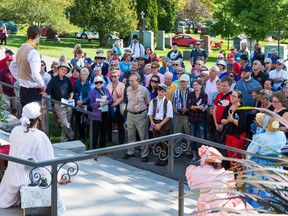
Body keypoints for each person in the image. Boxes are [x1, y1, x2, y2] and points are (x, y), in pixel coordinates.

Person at [0, 102, 65, 215]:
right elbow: (47, 161)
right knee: (56, 172)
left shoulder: (15, 130)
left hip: (13, 171)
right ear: (39, 117)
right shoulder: (40, 136)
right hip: (29, 175)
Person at [186, 145, 256, 215]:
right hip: (222, 206)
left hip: (205, 206)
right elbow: (231, 189)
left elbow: (191, 181)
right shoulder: (225, 175)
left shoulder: (198, 172)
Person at [246, 113, 286, 209]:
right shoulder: (281, 134)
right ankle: (274, 206)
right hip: (276, 164)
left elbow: (250, 152)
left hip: (261, 164)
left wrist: (247, 164)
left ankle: (258, 208)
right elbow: (282, 146)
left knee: (260, 186)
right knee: (274, 185)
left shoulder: (260, 137)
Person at [9, 25, 45, 108]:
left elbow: (12, 66)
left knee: (26, 117)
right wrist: (42, 85)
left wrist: (20, 78)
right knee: (35, 118)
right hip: (33, 91)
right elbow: (35, 74)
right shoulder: (33, 52)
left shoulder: (21, 48)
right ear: (37, 36)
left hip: (23, 89)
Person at [123, 73, 150, 162]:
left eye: (133, 81)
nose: (130, 82)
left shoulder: (144, 90)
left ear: (138, 81)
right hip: (130, 114)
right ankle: (130, 152)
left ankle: (144, 154)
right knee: (130, 134)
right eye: (129, 81)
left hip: (141, 115)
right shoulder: (128, 89)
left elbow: (148, 103)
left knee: (143, 135)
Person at [45, 62, 75, 142]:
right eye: (62, 69)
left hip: (68, 103)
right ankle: (72, 135)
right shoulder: (53, 80)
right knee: (65, 123)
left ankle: (63, 139)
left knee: (66, 123)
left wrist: (70, 98)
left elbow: (71, 91)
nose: (63, 71)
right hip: (58, 104)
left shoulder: (67, 80)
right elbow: (47, 92)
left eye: (65, 70)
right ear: (58, 69)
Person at [148, 84, 173, 166]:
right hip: (155, 122)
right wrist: (152, 122)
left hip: (163, 124)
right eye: (159, 91)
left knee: (164, 142)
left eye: (162, 91)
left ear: (165, 92)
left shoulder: (167, 102)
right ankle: (159, 157)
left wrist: (160, 124)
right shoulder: (153, 101)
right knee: (157, 141)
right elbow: (150, 113)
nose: (160, 93)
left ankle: (164, 157)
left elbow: (169, 115)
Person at [221, 90, 247, 169]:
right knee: (230, 155)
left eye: (234, 96)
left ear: (239, 98)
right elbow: (222, 121)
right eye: (231, 95)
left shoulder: (242, 109)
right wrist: (229, 120)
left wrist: (232, 120)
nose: (231, 97)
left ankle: (239, 174)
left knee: (238, 156)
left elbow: (242, 124)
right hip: (229, 135)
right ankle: (232, 173)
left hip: (238, 136)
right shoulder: (227, 107)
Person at [89, 76, 113, 149]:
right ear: (94, 83)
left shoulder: (105, 90)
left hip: (105, 113)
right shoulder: (92, 92)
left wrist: (108, 101)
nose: (99, 84)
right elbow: (91, 103)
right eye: (97, 82)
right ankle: (93, 146)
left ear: (103, 83)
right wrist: (99, 104)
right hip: (96, 114)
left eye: (100, 82)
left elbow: (111, 99)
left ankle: (103, 146)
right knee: (95, 131)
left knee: (104, 129)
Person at [187, 79, 208, 160]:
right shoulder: (190, 94)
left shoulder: (204, 95)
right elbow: (188, 106)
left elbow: (203, 106)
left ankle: (203, 156)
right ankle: (194, 155)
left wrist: (193, 107)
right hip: (192, 118)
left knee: (202, 137)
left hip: (201, 119)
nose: (195, 86)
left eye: (196, 85)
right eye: (194, 85)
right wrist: (197, 107)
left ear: (200, 85)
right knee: (193, 137)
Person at [106, 70, 125, 144]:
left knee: (120, 124)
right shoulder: (108, 85)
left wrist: (115, 104)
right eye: (112, 76)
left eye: (115, 76)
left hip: (118, 106)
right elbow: (107, 95)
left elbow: (122, 97)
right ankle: (109, 140)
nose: (113, 77)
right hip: (110, 106)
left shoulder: (122, 85)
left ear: (118, 76)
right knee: (108, 124)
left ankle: (121, 140)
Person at [73, 68, 91, 141]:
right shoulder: (77, 82)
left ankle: (88, 136)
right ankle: (81, 136)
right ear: (80, 75)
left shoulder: (88, 84)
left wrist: (83, 102)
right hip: (78, 104)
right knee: (79, 121)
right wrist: (77, 101)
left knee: (86, 120)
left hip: (85, 104)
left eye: (85, 75)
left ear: (87, 75)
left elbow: (89, 96)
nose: (83, 76)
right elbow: (74, 92)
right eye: (82, 74)